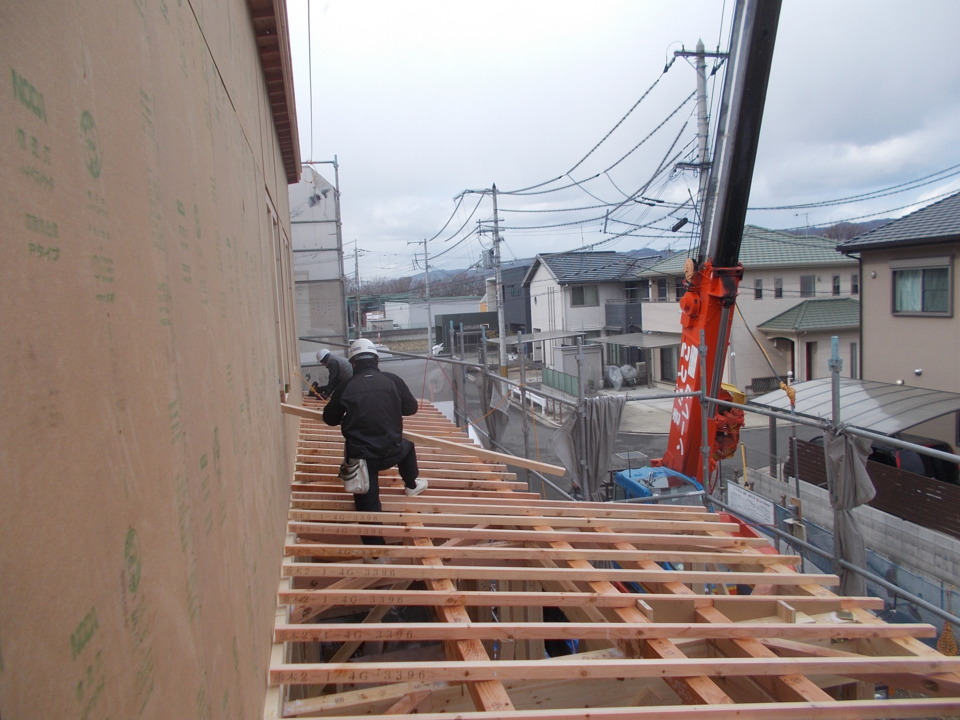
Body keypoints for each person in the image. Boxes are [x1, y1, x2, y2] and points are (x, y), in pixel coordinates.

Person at [322, 338, 427, 545]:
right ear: (377, 360)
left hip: (362, 461)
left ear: (352, 363)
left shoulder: (346, 386)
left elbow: (329, 419)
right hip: (392, 452)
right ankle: (412, 484)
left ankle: (375, 552)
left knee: (368, 507)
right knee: (408, 446)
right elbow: (411, 408)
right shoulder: (392, 380)